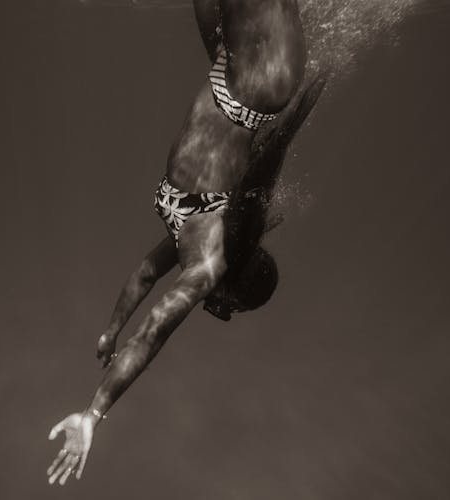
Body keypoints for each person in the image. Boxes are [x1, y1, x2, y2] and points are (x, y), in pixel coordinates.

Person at [47, 0, 325, 485]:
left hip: (241, 72)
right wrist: (93, 414)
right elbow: (154, 330)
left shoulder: (193, 242)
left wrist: (110, 331)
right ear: (233, 289)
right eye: (226, 309)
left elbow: (146, 274)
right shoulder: (207, 266)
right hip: (261, 79)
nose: (213, 308)